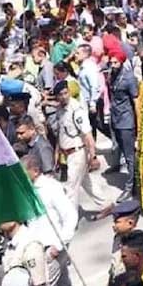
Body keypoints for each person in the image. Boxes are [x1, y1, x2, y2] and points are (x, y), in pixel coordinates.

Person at [19, 154, 82, 286]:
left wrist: (58, 246)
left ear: (35, 170)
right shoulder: (29, 191)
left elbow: (70, 216)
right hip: (39, 249)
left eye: (24, 173)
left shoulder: (50, 187)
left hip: (51, 250)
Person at [53, 80, 109, 212]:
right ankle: (106, 204)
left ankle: (71, 221)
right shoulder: (60, 110)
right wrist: (56, 153)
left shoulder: (76, 109)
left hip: (77, 152)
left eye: (65, 93)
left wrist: (93, 155)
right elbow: (60, 133)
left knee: (71, 188)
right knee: (86, 182)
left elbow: (88, 134)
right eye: (60, 95)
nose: (64, 96)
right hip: (67, 153)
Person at [107, 46, 138, 200]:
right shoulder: (111, 75)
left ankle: (130, 187)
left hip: (126, 121)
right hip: (115, 118)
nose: (112, 66)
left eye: (115, 63)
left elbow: (136, 102)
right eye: (111, 62)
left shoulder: (129, 78)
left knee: (129, 156)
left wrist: (139, 125)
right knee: (120, 151)